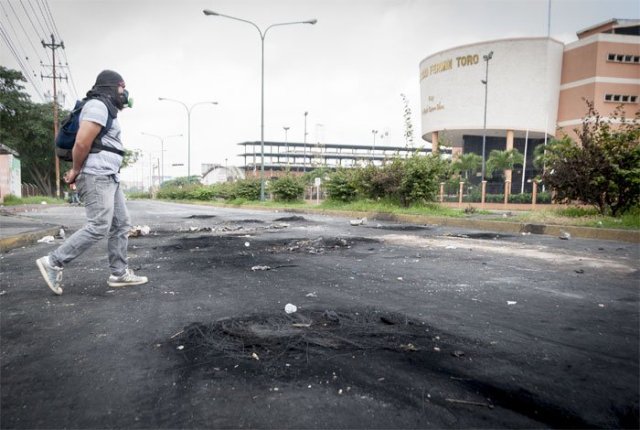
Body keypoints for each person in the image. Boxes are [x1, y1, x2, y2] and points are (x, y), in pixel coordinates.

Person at [36, 70, 148, 295]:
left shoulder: (107, 109)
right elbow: (82, 143)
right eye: (121, 87)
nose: (124, 92)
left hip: (109, 175)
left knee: (121, 224)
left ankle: (119, 273)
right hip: (97, 175)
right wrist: (76, 170)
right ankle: (54, 261)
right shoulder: (97, 105)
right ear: (109, 86)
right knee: (99, 225)